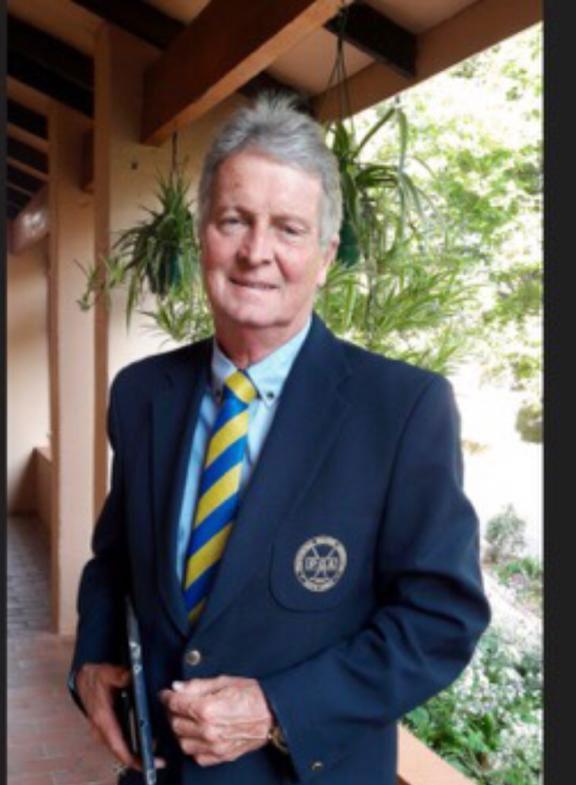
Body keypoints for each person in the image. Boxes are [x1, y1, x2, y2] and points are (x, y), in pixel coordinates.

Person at [68, 93, 491, 785]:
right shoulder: (142, 394)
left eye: (288, 229)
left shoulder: (403, 409)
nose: (255, 252)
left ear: (325, 256)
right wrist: (89, 659)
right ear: (203, 234)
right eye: (234, 220)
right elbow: (115, 564)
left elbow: (441, 619)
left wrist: (274, 708)